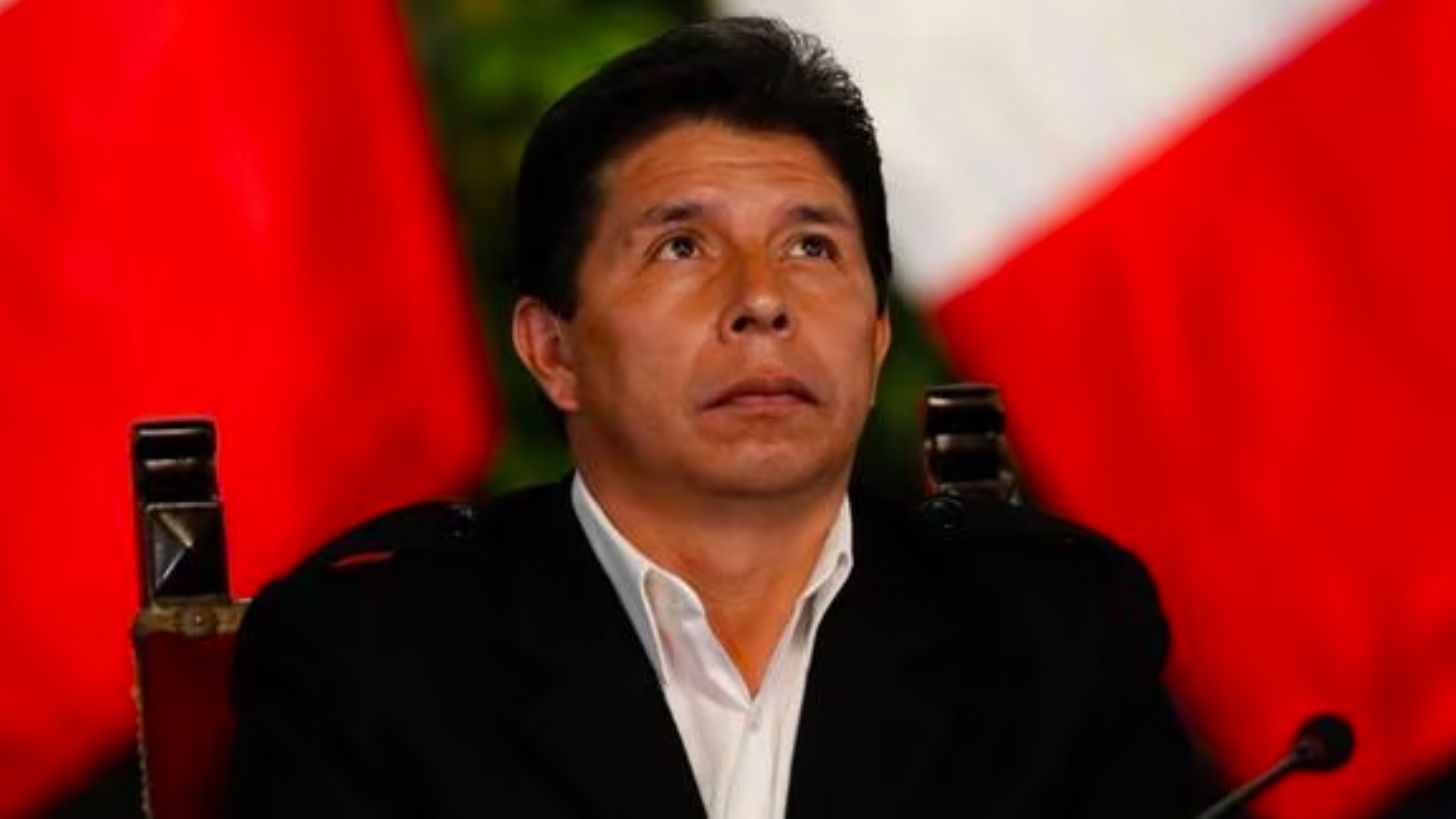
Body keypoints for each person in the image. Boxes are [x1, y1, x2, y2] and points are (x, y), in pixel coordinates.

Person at [227, 16, 1192, 818]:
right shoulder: (371, 659)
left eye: (811, 247)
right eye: (682, 247)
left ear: (876, 339)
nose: (762, 300)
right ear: (553, 350)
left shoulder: (1054, 634)